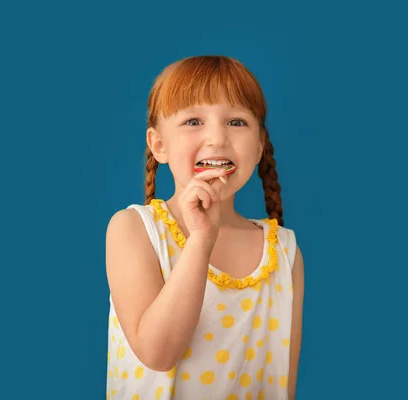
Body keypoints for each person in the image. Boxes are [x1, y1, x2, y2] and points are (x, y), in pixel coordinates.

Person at [105, 55, 304, 400]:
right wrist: (201, 239)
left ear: (259, 147)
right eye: (193, 120)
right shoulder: (133, 229)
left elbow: (282, 385)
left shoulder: (285, 253)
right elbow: (158, 353)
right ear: (159, 145)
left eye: (237, 122)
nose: (217, 138)